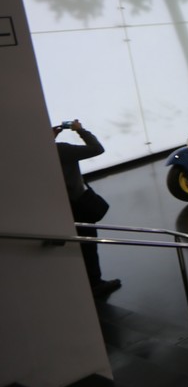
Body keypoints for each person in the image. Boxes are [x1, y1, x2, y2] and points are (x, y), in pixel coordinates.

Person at [54, 120, 120, 298]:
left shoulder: (31, 155)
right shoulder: (61, 150)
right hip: (78, 203)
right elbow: (97, 149)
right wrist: (80, 130)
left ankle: (77, 281)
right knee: (88, 245)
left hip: (55, 207)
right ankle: (95, 284)